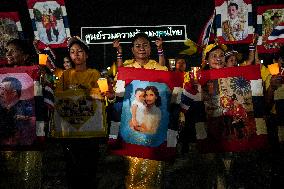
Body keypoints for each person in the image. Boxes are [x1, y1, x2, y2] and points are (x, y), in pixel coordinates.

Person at [55, 36, 115, 188]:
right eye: (73, 52)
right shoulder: (66, 75)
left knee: (89, 164)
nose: (76, 55)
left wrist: (96, 92)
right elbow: (59, 97)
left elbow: (101, 95)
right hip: (71, 129)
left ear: (86, 55)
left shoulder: (94, 73)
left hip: (90, 128)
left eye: (80, 51)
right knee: (71, 165)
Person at [112, 33, 168, 188]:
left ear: (150, 49)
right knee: (133, 166)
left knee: (154, 166)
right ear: (132, 49)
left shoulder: (160, 69)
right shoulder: (126, 70)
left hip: (154, 127)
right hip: (132, 126)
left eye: (145, 45)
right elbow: (119, 95)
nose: (141, 48)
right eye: (138, 45)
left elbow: (167, 94)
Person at [0, 38, 42, 189]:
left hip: (29, 139)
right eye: (6, 51)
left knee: (28, 177)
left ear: (24, 56)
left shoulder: (34, 73)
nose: (8, 53)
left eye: (13, 50)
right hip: (4, 141)